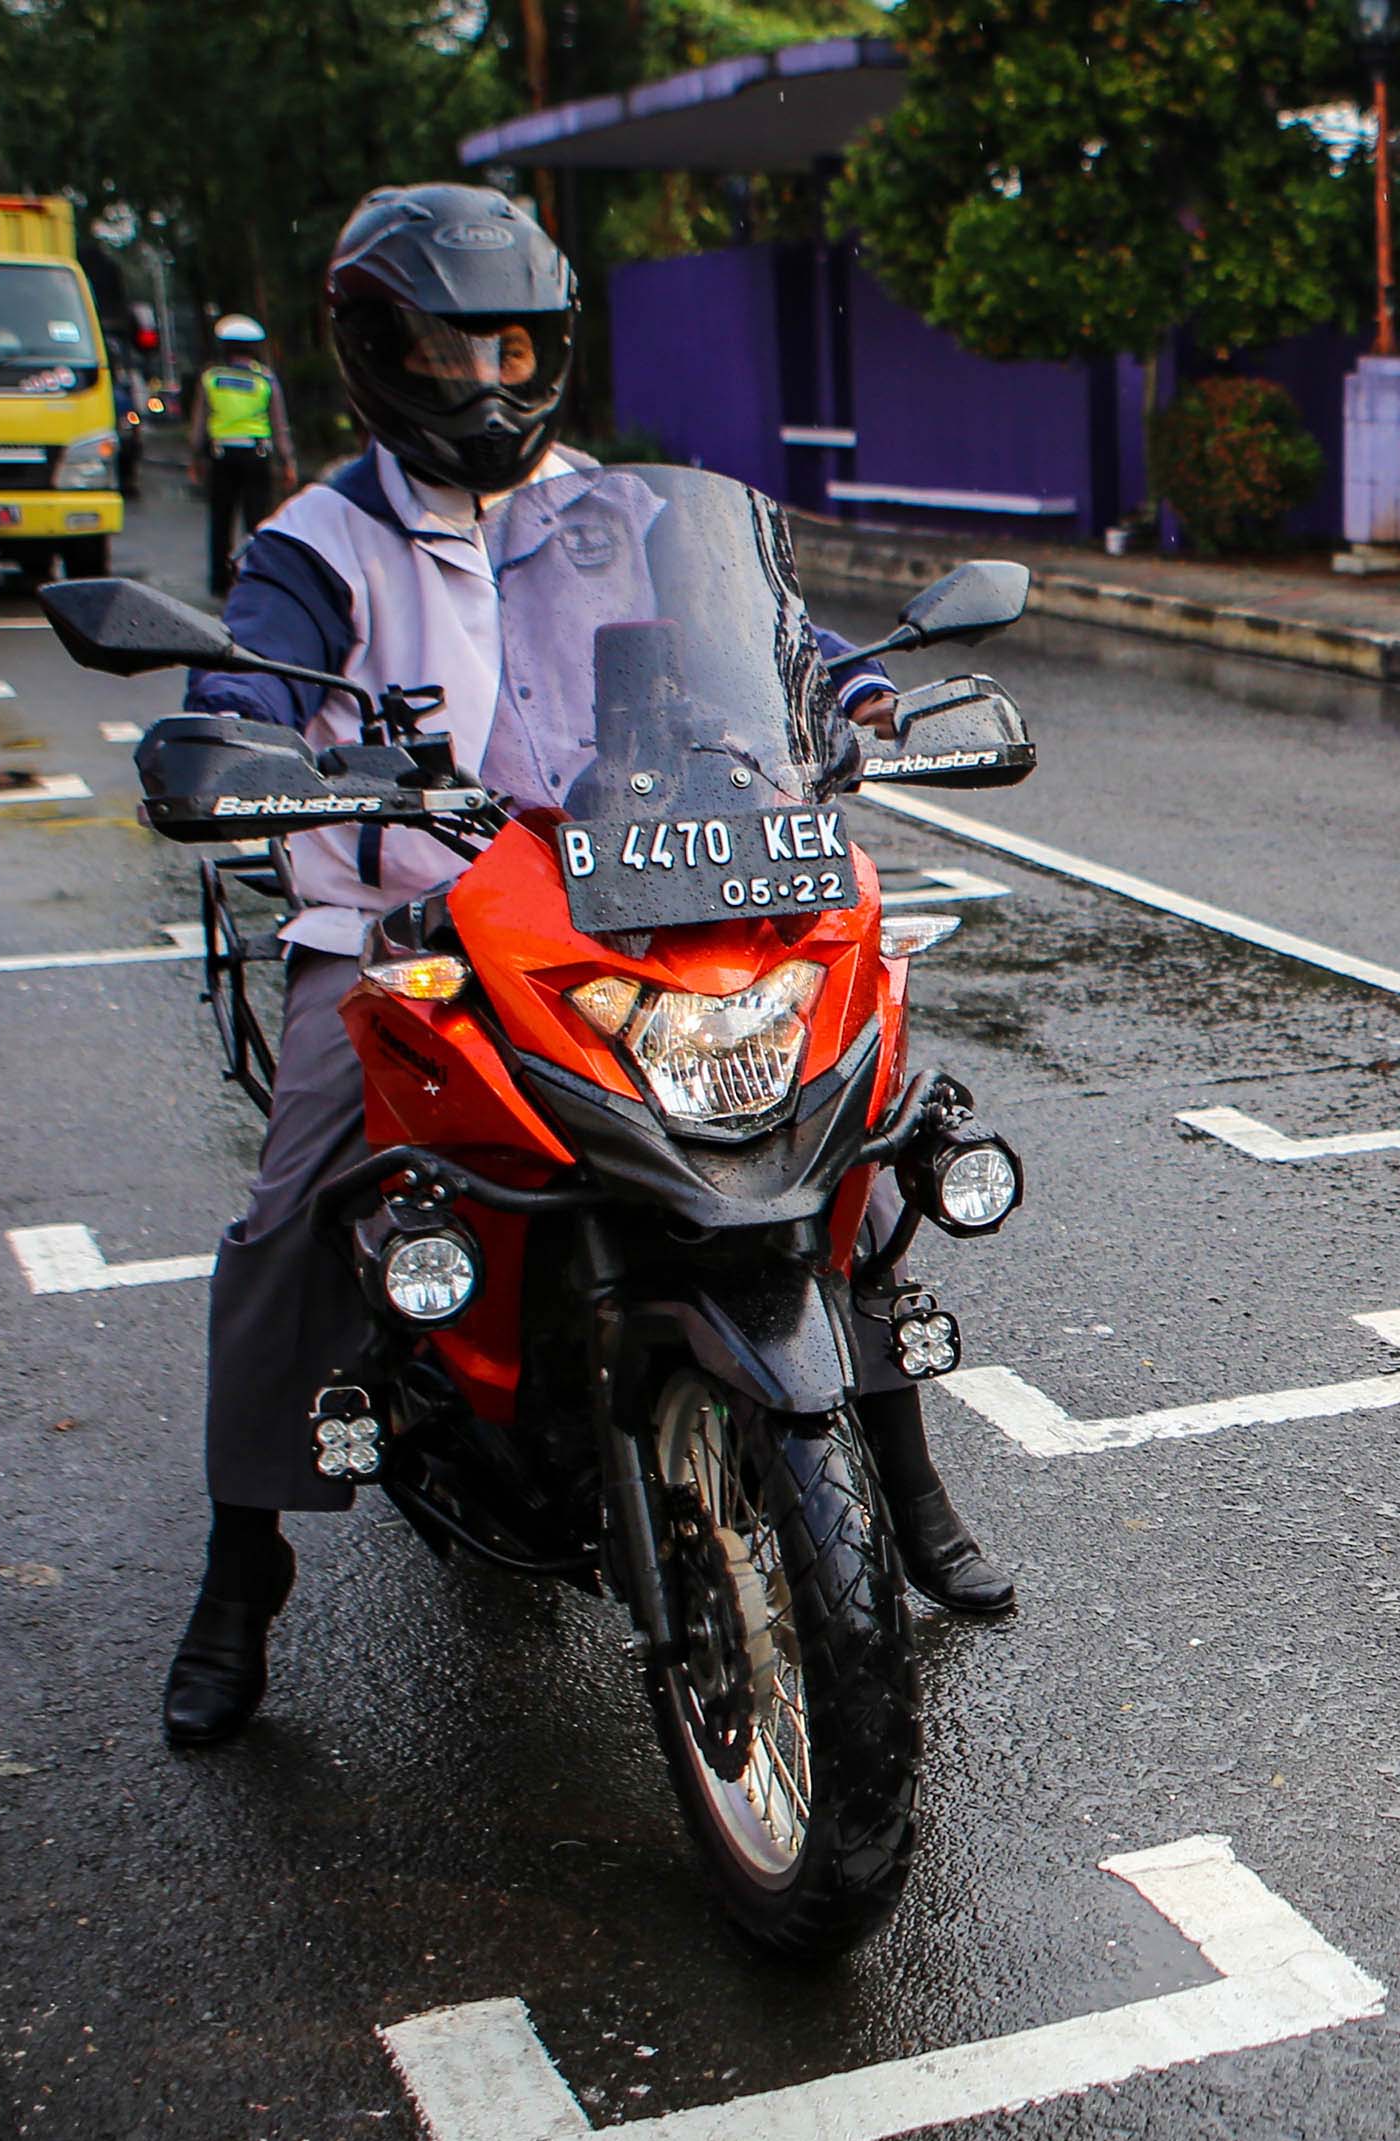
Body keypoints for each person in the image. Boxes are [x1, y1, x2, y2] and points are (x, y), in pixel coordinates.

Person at [159, 182, 1014, 1752]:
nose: (485, 381)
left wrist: (861, 702)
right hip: (411, 932)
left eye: (511, 348)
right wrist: (240, 742)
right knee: (297, 1210)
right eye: (449, 349)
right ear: (376, 350)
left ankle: (900, 1472)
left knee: (852, 1136)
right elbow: (243, 691)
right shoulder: (317, 541)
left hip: (638, 900)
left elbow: (787, 644)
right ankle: (240, 1566)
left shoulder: (620, 514)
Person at [194, 316, 296, 597]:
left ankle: (219, 582)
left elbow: (200, 422)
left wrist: (196, 458)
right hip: (256, 456)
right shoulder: (265, 379)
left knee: (220, 521)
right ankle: (257, 577)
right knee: (257, 521)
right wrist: (287, 462)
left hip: (221, 456)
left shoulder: (211, 378)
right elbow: (279, 425)